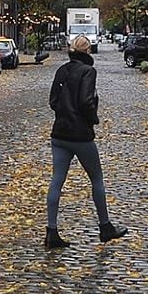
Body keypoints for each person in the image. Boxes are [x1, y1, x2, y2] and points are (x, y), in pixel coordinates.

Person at [46, 35, 126, 249]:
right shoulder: (88, 71)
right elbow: (86, 101)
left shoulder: (62, 70)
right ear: (87, 51)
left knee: (57, 181)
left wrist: (64, 113)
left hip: (60, 134)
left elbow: (53, 100)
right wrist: (93, 119)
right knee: (96, 179)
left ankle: (51, 231)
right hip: (80, 135)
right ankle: (105, 227)